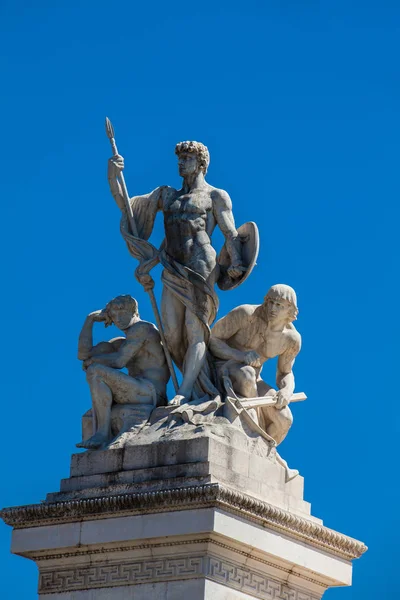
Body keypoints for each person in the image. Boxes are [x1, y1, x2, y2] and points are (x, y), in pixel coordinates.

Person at [108, 141, 245, 405]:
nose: (181, 163)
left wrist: (237, 261)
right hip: (171, 267)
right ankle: (195, 387)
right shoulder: (166, 195)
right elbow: (128, 207)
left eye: (187, 158)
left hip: (201, 267)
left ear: (201, 163)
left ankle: (184, 391)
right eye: (179, 158)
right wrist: (113, 175)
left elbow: (231, 233)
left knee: (195, 331)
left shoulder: (215, 196)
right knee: (170, 335)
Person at [209, 284, 301, 447]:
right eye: (271, 302)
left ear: (290, 309)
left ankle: (262, 450)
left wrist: (287, 390)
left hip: (253, 378)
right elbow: (212, 339)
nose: (273, 308)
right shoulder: (246, 314)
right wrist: (240, 355)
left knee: (284, 419)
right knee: (247, 376)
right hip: (223, 367)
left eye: (279, 305)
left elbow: (285, 372)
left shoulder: (290, 339)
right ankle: (250, 435)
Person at [76, 295, 169, 449]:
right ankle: (102, 433)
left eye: (121, 312)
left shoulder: (143, 329)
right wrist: (90, 320)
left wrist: (93, 362)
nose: (117, 318)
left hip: (151, 391)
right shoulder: (122, 342)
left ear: (133, 311)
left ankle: (102, 434)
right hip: (138, 390)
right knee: (100, 360)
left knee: (95, 371)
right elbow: (83, 355)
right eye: (113, 315)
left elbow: (119, 361)